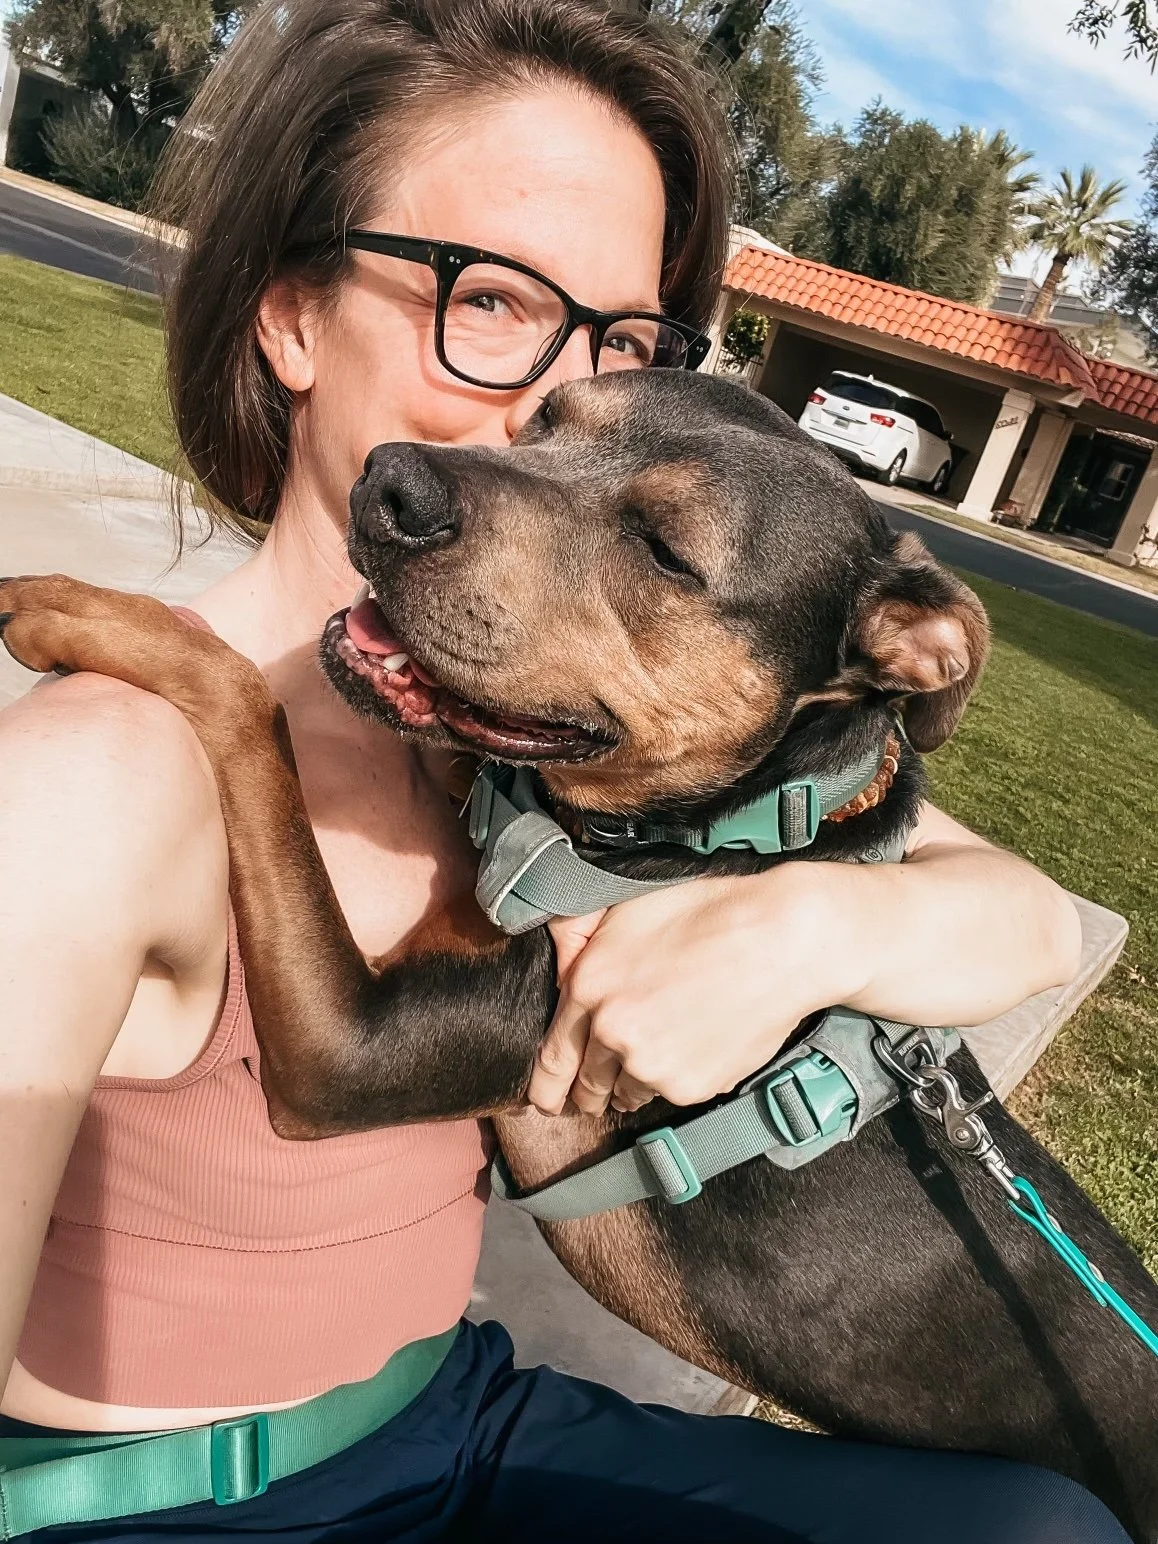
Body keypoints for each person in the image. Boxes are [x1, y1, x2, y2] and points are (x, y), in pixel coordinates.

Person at [0, 2, 1123, 1540]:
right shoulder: (99, 784)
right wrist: (218, 705)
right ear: (294, 317)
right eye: (486, 298)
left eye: (624, 345)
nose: (544, 411)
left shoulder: (546, 760)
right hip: (203, 1504)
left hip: (463, 1414)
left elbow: (1028, 914)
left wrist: (819, 924)